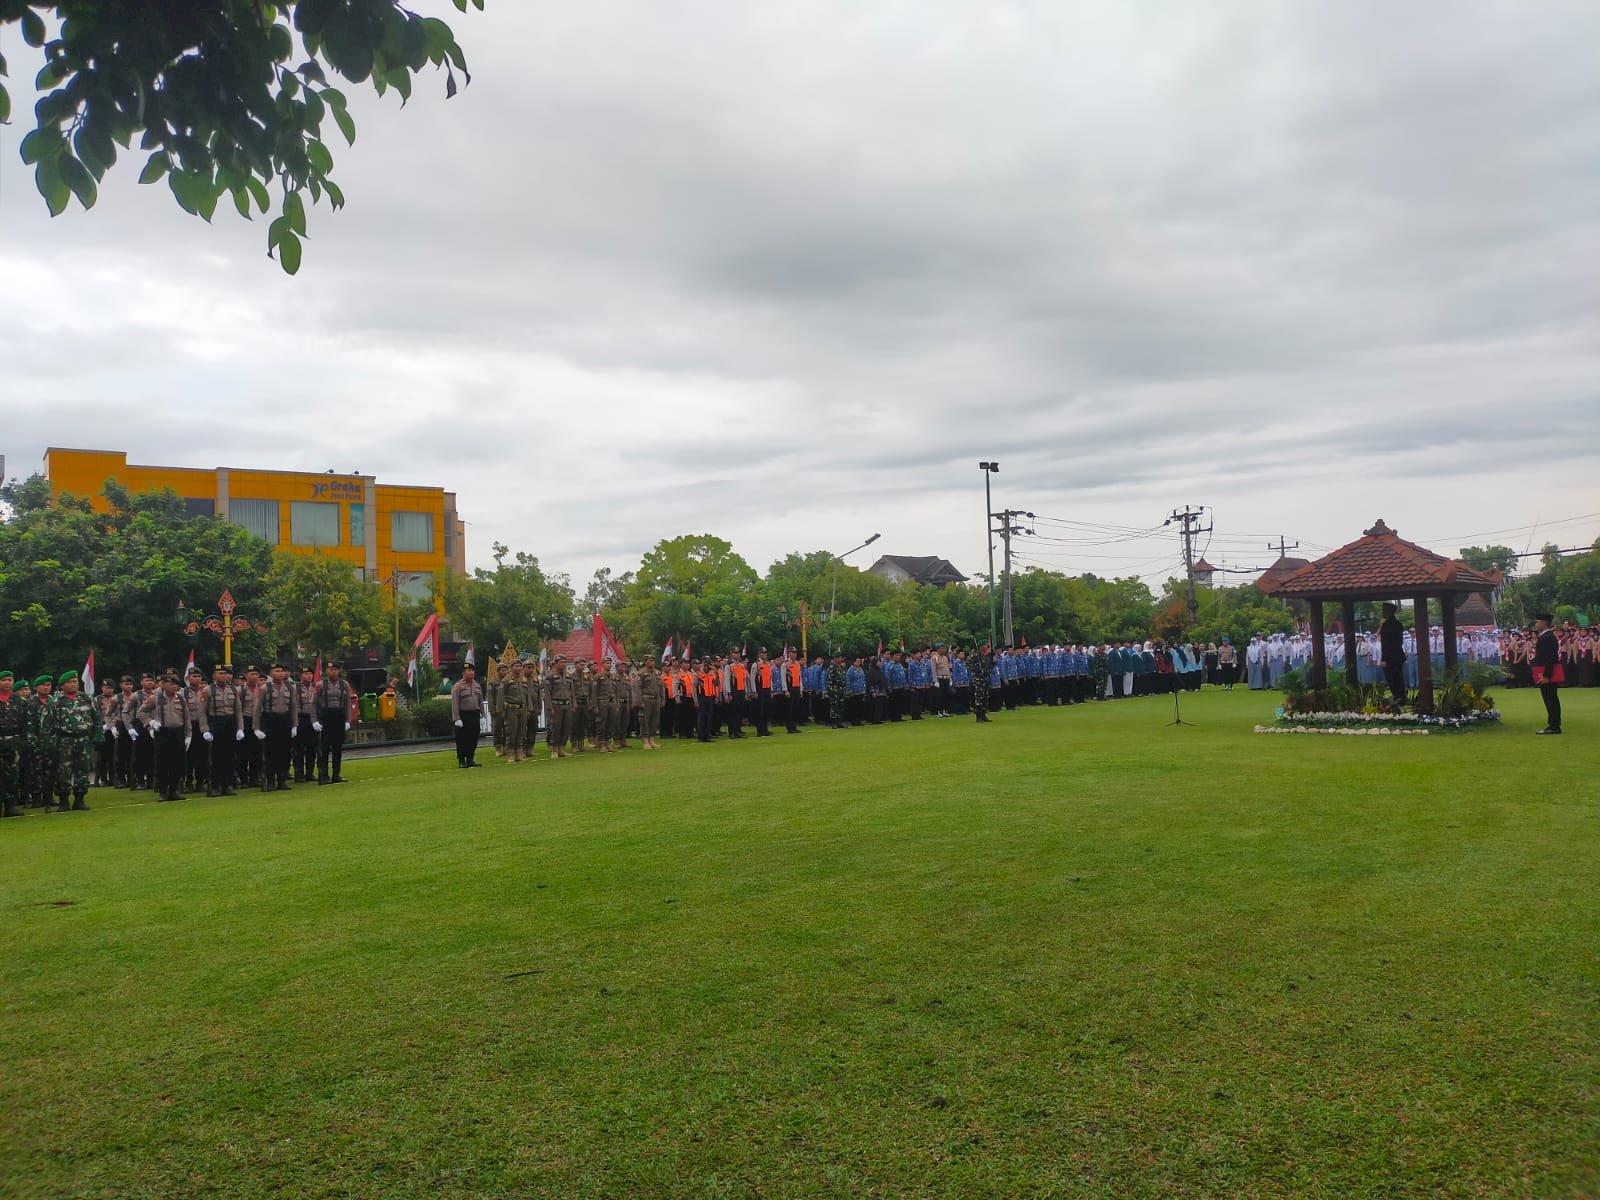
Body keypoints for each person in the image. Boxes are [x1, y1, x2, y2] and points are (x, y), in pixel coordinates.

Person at [140, 670, 203, 802]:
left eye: (176, 684)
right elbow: (141, 712)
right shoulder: (155, 698)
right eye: (171, 683)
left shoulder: (181, 698)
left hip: (178, 732)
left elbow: (186, 718)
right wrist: (150, 723)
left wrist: (188, 735)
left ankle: (174, 790)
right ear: (163, 684)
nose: (174, 686)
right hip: (163, 733)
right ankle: (163, 791)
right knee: (163, 763)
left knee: (177, 763)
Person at [48, 670, 98, 811]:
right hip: (64, 740)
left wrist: (97, 735)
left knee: (82, 771)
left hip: (83, 739)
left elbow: (97, 718)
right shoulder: (56, 702)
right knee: (64, 772)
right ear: (62, 686)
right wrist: (50, 743)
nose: (73, 684)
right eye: (70, 682)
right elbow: (47, 724)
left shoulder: (86, 699)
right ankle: (63, 801)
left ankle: (79, 800)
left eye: (75, 682)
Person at [201, 663, 245, 796]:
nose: (223, 676)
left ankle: (227, 785)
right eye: (220, 673)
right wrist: (205, 729)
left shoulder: (233, 689)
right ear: (214, 676)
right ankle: (215, 786)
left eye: (225, 673)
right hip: (216, 723)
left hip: (230, 723)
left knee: (230, 756)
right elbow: (202, 712)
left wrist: (240, 728)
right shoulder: (208, 690)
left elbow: (238, 710)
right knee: (216, 757)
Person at [254, 662, 299, 790]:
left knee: (284, 752)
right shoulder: (264, 688)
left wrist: (295, 725)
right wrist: (256, 728)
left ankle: (282, 780)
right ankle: (270, 780)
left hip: (285, 720)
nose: (280, 673)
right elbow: (257, 709)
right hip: (270, 720)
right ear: (271, 673)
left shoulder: (290, 688)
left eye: (281, 671)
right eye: (276, 671)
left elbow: (293, 708)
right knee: (270, 752)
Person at [312, 660, 355, 784]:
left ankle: (336, 774)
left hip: (339, 716)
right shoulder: (320, 685)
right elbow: (313, 703)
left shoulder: (344, 684)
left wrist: (348, 720)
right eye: (331, 669)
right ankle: (323, 775)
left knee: (338, 748)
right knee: (324, 749)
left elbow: (347, 703)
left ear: (339, 671)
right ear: (326, 671)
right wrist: (314, 720)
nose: (333, 671)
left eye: (335, 669)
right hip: (325, 716)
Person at [1532, 613, 1562, 734]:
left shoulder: (1548, 637)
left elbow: (1550, 658)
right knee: (1550, 698)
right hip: (1543, 671)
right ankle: (1553, 724)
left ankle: (1554, 725)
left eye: (1538, 622)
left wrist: (1546, 675)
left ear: (1544, 623)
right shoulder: (1545, 636)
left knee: (1550, 698)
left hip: (1547, 673)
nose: (1536, 624)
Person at [451, 664, 485, 766]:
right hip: (463, 715)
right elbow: (455, 703)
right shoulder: (458, 686)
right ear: (463, 673)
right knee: (462, 739)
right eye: (468, 671)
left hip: (475, 714)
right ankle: (461, 760)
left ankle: (470, 759)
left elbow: (481, 701)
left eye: (472, 671)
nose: (471, 673)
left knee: (473, 737)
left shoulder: (477, 685)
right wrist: (456, 718)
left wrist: (483, 715)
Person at [542, 656, 574, 758]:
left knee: (566, 727)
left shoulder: (568, 676)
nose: (563, 664)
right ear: (555, 663)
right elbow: (547, 693)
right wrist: (549, 707)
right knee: (556, 727)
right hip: (556, 705)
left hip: (567, 704)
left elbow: (572, 692)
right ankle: (554, 749)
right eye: (561, 662)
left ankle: (562, 748)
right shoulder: (550, 676)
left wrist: (573, 705)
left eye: (565, 662)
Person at [1378, 603, 1407, 707]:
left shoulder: (1387, 625)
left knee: (1392, 679)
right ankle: (1401, 698)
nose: (1382, 613)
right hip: (1398, 655)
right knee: (1398, 678)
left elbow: (1386, 644)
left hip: (1390, 657)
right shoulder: (1398, 623)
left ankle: (1398, 698)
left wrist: (1384, 659)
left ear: (1388, 611)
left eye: (1384, 611)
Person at [293, 665, 319, 782]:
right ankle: (299, 773)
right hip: (300, 717)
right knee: (299, 748)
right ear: (300, 676)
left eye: (310, 674)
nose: (308, 676)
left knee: (312, 747)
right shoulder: (295, 688)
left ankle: (310, 772)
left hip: (313, 719)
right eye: (305, 674)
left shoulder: (316, 687)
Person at [637, 658, 662, 749]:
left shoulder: (657, 673)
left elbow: (661, 687)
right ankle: (645, 741)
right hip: (646, 698)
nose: (652, 662)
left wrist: (662, 699)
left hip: (656, 699)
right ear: (645, 662)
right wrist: (640, 701)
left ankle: (652, 739)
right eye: (649, 661)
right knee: (644, 720)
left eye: (653, 661)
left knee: (654, 720)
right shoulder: (641, 673)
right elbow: (638, 688)